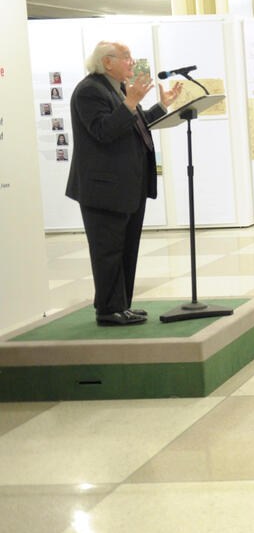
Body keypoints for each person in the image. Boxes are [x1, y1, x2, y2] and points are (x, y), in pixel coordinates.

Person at [66, 41, 182, 326]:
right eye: (126, 57)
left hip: (127, 186)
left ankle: (121, 305)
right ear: (107, 62)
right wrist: (130, 102)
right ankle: (108, 310)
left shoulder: (116, 88)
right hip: (103, 189)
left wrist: (162, 105)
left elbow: (136, 124)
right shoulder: (89, 91)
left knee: (127, 249)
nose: (132, 62)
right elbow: (103, 131)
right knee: (108, 252)